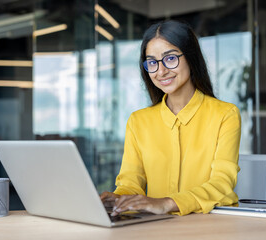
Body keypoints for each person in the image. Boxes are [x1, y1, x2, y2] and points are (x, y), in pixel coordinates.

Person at [100, 20, 241, 216]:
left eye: (170, 58)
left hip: (208, 228)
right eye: (152, 62)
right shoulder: (138, 121)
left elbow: (222, 185)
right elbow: (131, 183)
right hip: (156, 230)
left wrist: (167, 203)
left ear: (191, 58)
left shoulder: (225, 115)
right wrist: (120, 199)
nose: (161, 71)